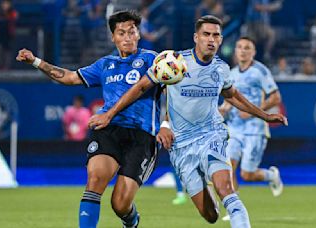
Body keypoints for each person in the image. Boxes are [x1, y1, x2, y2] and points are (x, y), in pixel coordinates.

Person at [89, 15, 287, 227]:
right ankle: (205, 183)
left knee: (226, 189)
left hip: (212, 135)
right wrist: (113, 115)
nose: (211, 39)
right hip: (181, 146)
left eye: (216, 35)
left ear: (221, 40)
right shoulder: (173, 63)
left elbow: (233, 96)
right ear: (196, 37)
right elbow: (140, 88)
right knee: (210, 215)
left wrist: (265, 115)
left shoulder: (221, 69)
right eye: (206, 34)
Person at [16, 10, 161, 228]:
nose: (127, 37)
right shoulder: (104, 65)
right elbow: (69, 77)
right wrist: (36, 61)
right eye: (121, 33)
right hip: (109, 129)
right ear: (113, 37)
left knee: (120, 204)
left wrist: (167, 124)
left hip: (141, 136)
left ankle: (131, 220)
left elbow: (170, 90)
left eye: (132, 32)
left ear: (139, 34)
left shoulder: (153, 59)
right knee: (94, 181)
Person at [220, 37, 283, 221]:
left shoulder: (260, 71)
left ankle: (271, 175)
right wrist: (222, 110)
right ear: (235, 51)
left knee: (247, 174)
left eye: (247, 48)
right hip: (235, 129)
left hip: (255, 129)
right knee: (228, 167)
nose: (243, 51)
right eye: (239, 47)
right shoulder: (231, 73)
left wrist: (255, 110)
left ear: (253, 52)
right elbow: (228, 101)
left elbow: (276, 97)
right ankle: (234, 210)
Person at [0, 0, 18, 70]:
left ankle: (7, 66)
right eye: (4, 4)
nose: (5, 5)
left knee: (7, 50)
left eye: (7, 4)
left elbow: (15, 17)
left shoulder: (12, 12)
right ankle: (0, 65)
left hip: (8, 33)